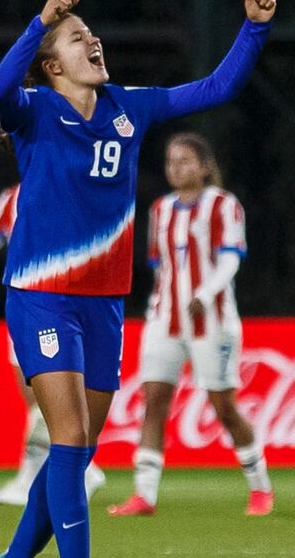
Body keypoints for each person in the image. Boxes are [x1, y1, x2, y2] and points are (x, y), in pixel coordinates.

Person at [0, 0, 276, 558]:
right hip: (42, 296)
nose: (92, 40)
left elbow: (217, 88)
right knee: (68, 439)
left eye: (91, 34)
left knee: (81, 448)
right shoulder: (34, 111)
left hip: (104, 301)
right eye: (77, 37)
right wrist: (39, 21)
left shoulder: (130, 106)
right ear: (51, 66)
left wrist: (254, 29)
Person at [107, 132, 273, 517]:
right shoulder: (160, 210)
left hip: (212, 321)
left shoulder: (224, 206)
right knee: (154, 402)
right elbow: (160, 268)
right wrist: (156, 310)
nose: (176, 168)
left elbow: (231, 258)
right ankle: (144, 495)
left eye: (184, 161)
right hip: (165, 320)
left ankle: (260, 487)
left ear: (204, 166)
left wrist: (206, 291)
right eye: (170, 162)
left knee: (223, 407)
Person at [0, 185, 106, 506]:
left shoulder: (72, 189)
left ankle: (40, 477)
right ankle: (78, 470)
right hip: (24, 304)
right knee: (34, 399)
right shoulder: (12, 197)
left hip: (57, 306)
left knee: (45, 396)